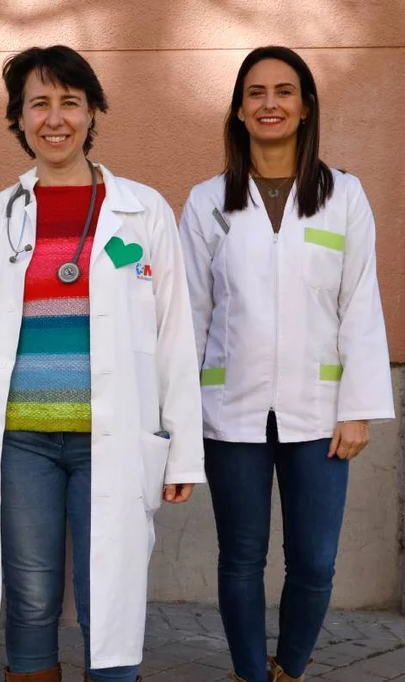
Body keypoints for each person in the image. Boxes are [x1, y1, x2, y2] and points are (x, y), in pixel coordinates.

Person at [0, 45, 205, 682]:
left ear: (92, 111)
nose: (55, 118)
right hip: (22, 442)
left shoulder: (143, 210)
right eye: (38, 104)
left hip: (114, 436)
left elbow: (175, 331)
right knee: (31, 598)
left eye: (69, 103)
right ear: (17, 118)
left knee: (112, 592)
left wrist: (182, 449)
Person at [178, 46, 395, 682]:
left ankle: (290, 668)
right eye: (255, 93)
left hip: (320, 413)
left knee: (316, 560)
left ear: (305, 108)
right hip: (231, 412)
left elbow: (360, 305)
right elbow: (190, 314)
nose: (269, 103)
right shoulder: (207, 202)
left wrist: (357, 409)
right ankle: (249, 673)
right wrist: (180, 413)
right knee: (240, 557)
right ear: (239, 110)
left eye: (284, 91)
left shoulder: (344, 197)